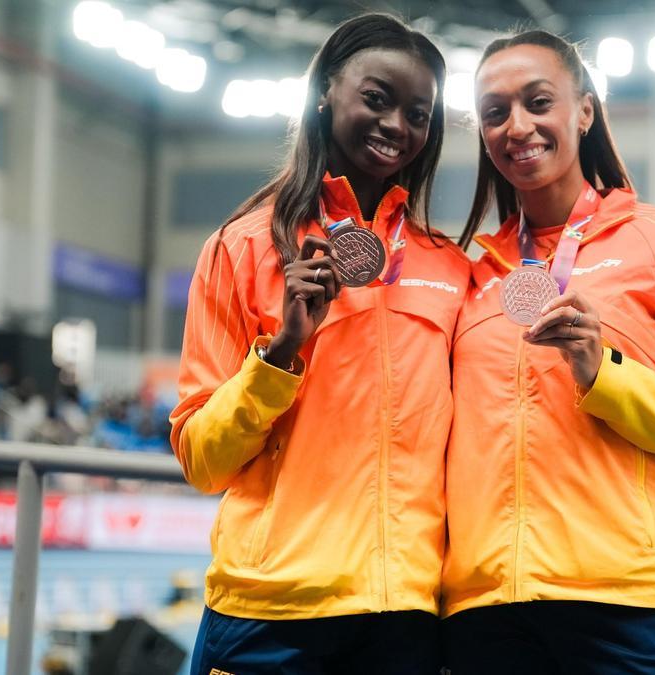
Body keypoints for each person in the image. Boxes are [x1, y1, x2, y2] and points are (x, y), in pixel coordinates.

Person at [442, 30, 655, 674]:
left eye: (539, 102)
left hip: (626, 608)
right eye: (496, 112)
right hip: (484, 615)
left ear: (584, 111)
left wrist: (603, 372)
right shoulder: (471, 275)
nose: (519, 126)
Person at [169, 14, 468, 674]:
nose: (397, 125)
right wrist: (281, 353)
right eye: (377, 98)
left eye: (418, 113)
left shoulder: (449, 268)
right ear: (328, 91)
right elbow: (201, 457)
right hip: (269, 614)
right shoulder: (241, 248)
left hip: (403, 618)